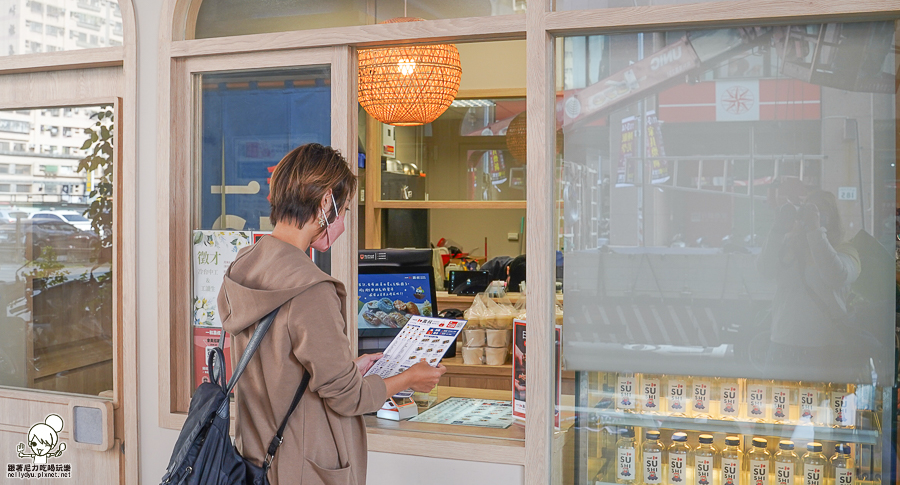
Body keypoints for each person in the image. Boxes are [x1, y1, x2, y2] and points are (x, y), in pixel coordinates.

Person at [218, 143, 445, 485]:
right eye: (345, 209)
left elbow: (279, 368)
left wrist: (348, 369)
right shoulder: (310, 287)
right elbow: (348, 397)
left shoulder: (244, 265)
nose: (342, 220)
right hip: (303, 466)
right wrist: (411, 378)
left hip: (254, 459)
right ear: (326, 202)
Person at [756, 189, 860, 370]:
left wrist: (815, 230)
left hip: (827, 348)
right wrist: (778, 229)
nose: (814, 217)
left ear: (833, 218)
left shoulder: (846, 250)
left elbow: (836, 276)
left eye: (821, 211)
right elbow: (764, 271)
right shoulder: (790, 247)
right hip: (783, 342)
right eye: (810, 212)